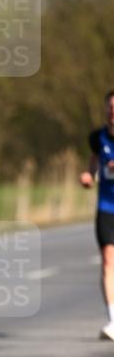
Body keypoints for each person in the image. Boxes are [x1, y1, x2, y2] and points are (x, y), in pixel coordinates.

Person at [80, 89, 114, 341]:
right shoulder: (97, 137)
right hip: (106, 208)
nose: (113, 112)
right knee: (107, 261)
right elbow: (94, 162)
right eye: (110, 107)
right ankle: (113, 320)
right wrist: (89, 175)